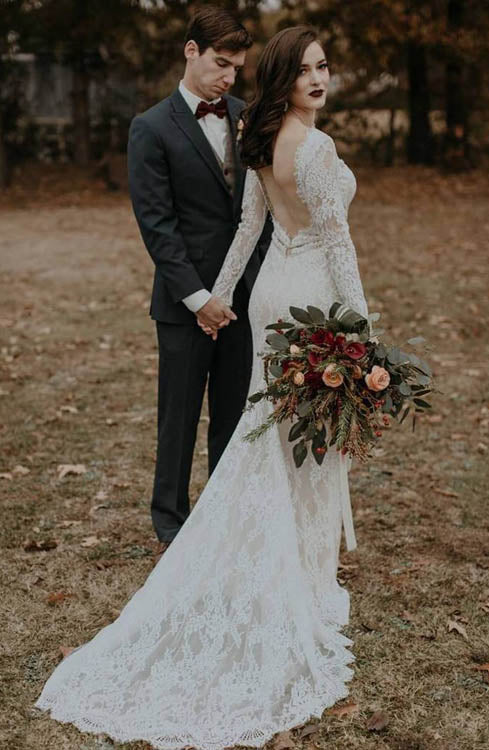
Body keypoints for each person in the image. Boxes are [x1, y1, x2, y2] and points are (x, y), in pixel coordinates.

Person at [34, 26, 369, 750]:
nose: (320, 77)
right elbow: (334, 241)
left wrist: (229, 296)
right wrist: (364, 334)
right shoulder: (306, 146)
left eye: (325, 67)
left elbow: (249, 226)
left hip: (266, 293)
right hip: (295, 291)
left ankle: (295, 558)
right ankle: (288, 568)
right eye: (307, 68)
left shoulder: (256, 131)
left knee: (267, 427)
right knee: (284, 430)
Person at [127, 5, 271, 551]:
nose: (228, 76)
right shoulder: (151, 127)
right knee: (179, 418)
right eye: (219, 63)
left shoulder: (248, 115)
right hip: (184, 303)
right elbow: (157, 226)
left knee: (233, 417)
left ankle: (224, 516)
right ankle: (170, 521)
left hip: (243, 297)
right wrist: (198, 298)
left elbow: (259, 211)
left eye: (236, 66)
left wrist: (240, 290)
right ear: (190, 51)